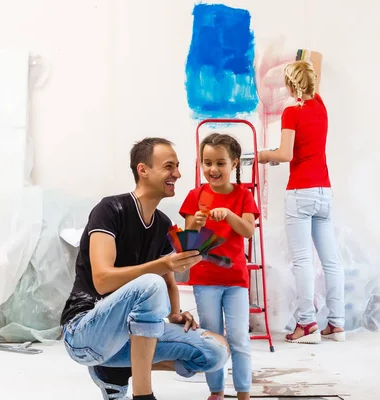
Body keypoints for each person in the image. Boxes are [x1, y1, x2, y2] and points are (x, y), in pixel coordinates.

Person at [60, 137, 230, 400]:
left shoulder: (163, 224)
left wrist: (175, 314)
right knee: (151, 283)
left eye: (177, 166)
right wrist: (161, 265)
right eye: (169, 166)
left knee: (215, 351)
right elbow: (103, 280)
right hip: (84, 332)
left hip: (127, 339)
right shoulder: (110, 209)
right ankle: (143, 394)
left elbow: (170, 282)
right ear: (143, 170)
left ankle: (113, 369)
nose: (177, 173)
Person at [257, 51, 346, 344]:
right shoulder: (321, 106)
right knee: (331, 261)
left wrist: (261, 156)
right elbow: (314, 64)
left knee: (303, 261)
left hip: (300, 192)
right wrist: (305, 58)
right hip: (324, 192)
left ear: (291, 86)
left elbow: (285, 154)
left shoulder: (292, 112)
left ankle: (307, 324)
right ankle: (337, 323)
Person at [179, 133, 259, 400]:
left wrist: (230, 214)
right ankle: (216, 390)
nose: (213, 169)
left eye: (220, 163)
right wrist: (197, 223)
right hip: (204, 279)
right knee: (212, 337)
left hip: (236, 280)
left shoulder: (244, 195)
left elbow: (248, 230)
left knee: (238, 339)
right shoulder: (196, 195)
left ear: (234, 163)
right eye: (207, 162)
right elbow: (188, 236)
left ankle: (243, 392)